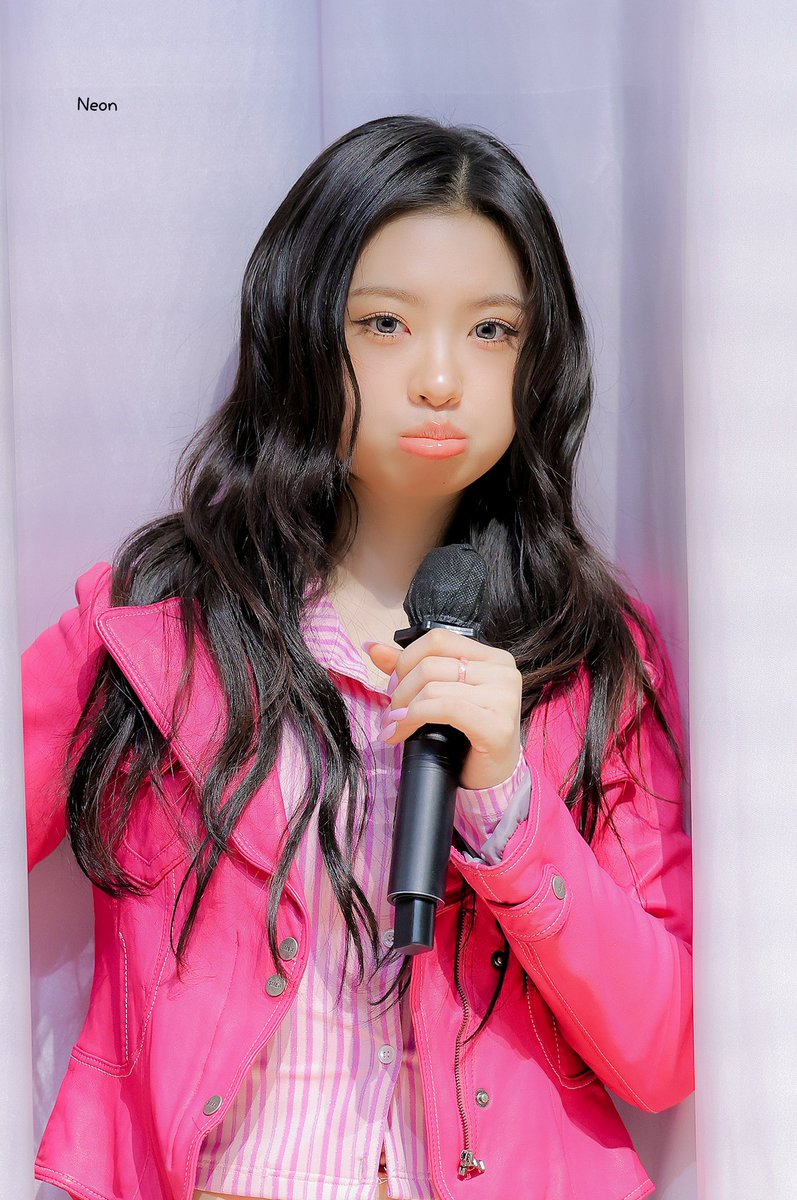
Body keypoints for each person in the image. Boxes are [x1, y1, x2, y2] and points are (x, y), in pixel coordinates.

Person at [23, 113, 693, 1200]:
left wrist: (508, 805)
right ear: (300, 327)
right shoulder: (161, 623)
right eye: (385, 324)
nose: (441, 378)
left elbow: (665, 1051)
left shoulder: (590, 654)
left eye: (491, 331)